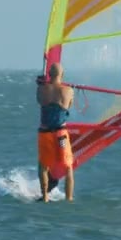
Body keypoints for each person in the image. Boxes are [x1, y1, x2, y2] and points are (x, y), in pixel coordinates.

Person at [36, 63, 75, 202]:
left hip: (45, 133)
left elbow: (39, 100)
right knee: (68, 166)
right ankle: (69, 198)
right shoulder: (69, 90)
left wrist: (40, 84)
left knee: (43, 166)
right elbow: (69, 105)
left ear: (49, 75)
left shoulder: (41, 89)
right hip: (61, 135)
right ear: (62, 75)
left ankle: (45, 197)